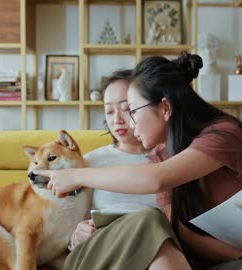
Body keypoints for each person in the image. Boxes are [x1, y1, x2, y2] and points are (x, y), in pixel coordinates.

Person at [37, 52, 242, 270]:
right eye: (111, 111)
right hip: (189, 257)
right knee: (152, 220)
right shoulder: (159, 155)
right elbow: (183, 232)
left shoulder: (222, 134)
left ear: (165, 108)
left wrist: (76, 175)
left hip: (241, 255)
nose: (127, 123)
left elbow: (157, 180)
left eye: (132, 111)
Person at [64, 69, 190, 270]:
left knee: (154, 229)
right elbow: (65, 225)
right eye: (109, 111)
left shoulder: (173, 160)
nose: (117, 120)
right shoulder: (89, 163)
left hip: (155, 254)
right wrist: (76, 236)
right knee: (150, 218)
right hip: (103, 255)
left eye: (126, 108)